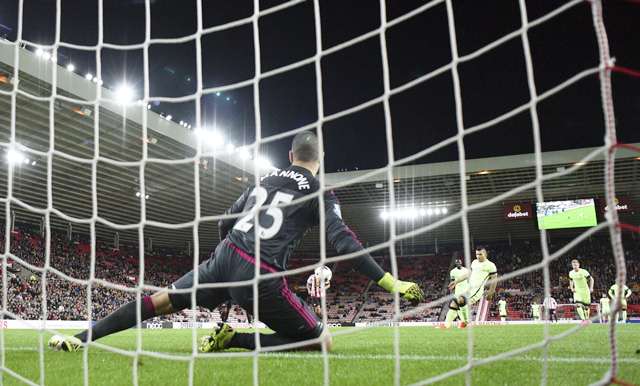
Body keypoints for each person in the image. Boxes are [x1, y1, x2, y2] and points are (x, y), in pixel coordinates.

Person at [48, 131, 424, 352]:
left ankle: (81, 338)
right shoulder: (320, 193)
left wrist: (222, 269)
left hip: (225, 257)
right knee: (322, 341)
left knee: (157, 301)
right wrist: (392, 282)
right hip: (261, 274)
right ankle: (236, 340)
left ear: (289, 155)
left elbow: (226, 222)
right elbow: (342, 242)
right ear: (319, 159)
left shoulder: (263, 180)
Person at [444, 246, 498, 328]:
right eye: (477, 254)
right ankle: (446, 326)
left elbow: (494, 280)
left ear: (485, 254)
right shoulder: (474, 262)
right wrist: (456, 281)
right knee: (454, 303)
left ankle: (466, 322)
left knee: (461, 300)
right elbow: (469, 274)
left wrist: (491, 292)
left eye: (480, 254)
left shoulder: (490, 265)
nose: (478, 256)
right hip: (468, 288)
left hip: (476, 290)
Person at [446, 258, 470, 327]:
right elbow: (452, 282)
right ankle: (463, 322)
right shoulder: (453, 272)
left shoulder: (466, 270)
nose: (458, 264)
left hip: (465, 290)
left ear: (461, 263)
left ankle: (465, 321)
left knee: (460, 305)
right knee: (455, 306)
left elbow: (469, 280)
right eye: (457, 263)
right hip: (457, 291)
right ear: (455, 264)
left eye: (459, 262)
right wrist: (452, 290)